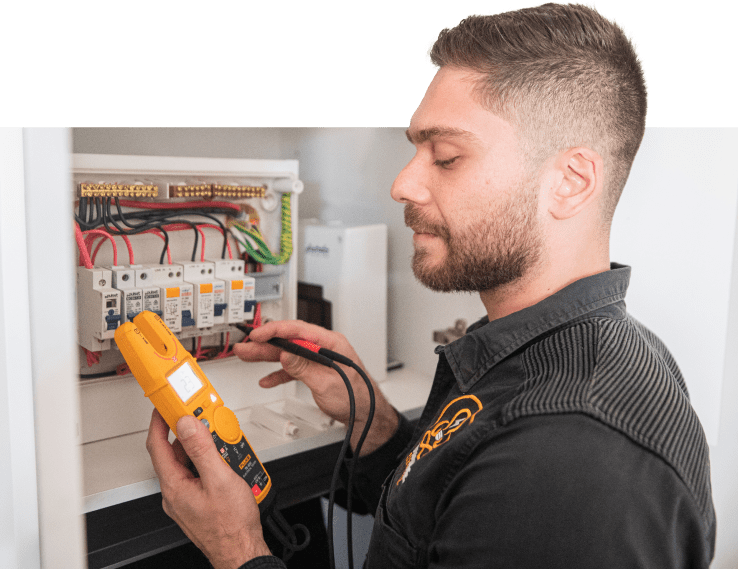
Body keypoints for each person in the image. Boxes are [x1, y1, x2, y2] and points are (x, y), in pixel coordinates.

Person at [145, 3, 716, 568]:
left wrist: (238, 550)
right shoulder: (538, 356)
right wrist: (376, 422)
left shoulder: (571, 461)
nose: (402, 184)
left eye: (445, 157)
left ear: (569, 182)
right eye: (415, 149)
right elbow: (444, 521)